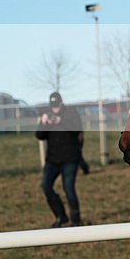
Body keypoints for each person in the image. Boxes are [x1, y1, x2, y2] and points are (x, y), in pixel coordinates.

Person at [35, 92, 84, 227]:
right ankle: (61, 216)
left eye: (56, 105)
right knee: (45, 186)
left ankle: (76, 221)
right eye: (52, 105)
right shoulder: (48, 116)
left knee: (68, 188)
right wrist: (43, 123)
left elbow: (77, 130)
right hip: (52, 160)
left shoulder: (71, 114)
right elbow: (39, 136)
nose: (55, 108)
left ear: (61, 103)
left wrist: (61, 121)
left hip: (70, 159)